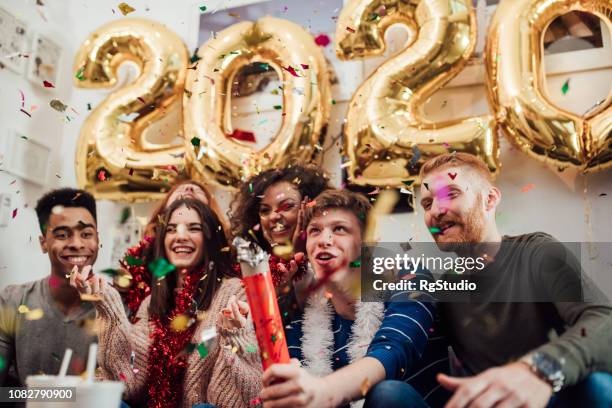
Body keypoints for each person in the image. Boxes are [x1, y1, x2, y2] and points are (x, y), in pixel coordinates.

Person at [417, 152, 612, 407]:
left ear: (490, 199)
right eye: (427, 204)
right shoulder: (444, 287)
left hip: (551, 398)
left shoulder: (538, 252)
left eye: (451, 194)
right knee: (391, 394)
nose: (436, 211)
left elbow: (604, 321)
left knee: (597, 386)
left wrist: (535, 369)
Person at [70, 198, 261, 408]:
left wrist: (233, 337)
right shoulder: (152, 303)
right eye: (171, 229)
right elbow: (125, 383)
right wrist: (106, 303)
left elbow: (239, 398)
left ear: (210, 238)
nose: (180, 236)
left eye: (194, 228)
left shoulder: (234, 293)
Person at [260, 189, 436, 408]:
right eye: (315, 231)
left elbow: (393, 350)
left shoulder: (410, 277)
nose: (324, 240)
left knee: (387, 393)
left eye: (340, 229)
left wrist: (323, 391)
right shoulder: (302, 317)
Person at [0, 188, 99, 385]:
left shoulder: (118, 310)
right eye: (62, 235)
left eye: (86, 233)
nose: (77, 244)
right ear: (43, 243)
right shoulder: (13, 300)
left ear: (98, 239)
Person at [230, 164, 332, 312]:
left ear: (309, 206)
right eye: (265, 210)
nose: (273, 216)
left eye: (286, 207)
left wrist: (300, 255)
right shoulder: (251, 268)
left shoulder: (333, 254)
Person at [119, 180, 226, 319]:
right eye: (172, 228)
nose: (188, 188)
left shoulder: (228, 286)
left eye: (194, 228)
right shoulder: (138, 269)